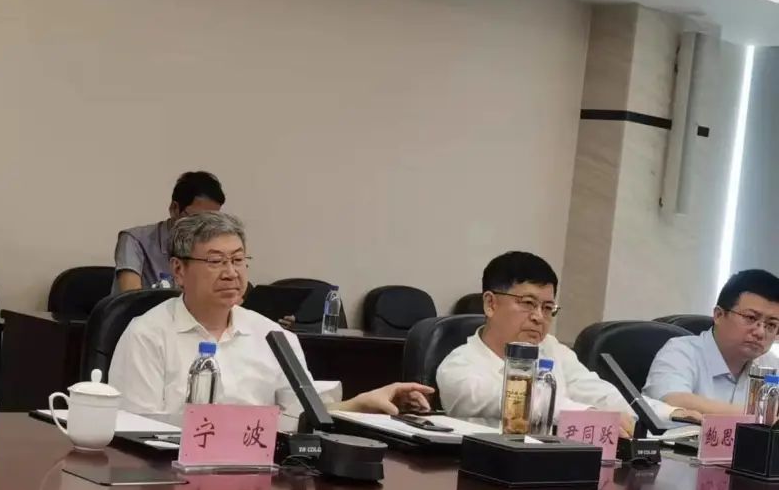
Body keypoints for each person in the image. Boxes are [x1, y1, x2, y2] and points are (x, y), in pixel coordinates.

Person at [109, 212, 431, 416]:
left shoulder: (273, 337)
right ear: (179, 270)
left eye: (238, 260)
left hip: (259, 481)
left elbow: (303, 414)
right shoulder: (147, 334)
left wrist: (365, 402)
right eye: (215, 261)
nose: (231, 273)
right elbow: (133, 430)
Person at [437, 251, 697, 434]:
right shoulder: (459, 366)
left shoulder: (552, 349)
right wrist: (591, 416)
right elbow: (521, 402)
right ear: (491, 304)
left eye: (547, 308)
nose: (539, 317)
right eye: (528, 303)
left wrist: (670, 413)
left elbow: (600, 393)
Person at [644, 270, 779, 416]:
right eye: (750, 318)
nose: (760, 332)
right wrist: (761, 416)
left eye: (771, 325)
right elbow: (671, 403)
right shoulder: (680, 352)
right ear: (719, 315)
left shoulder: (771, 364)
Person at [112, 171, 225, 294]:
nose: (203, 228)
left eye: (211, 221)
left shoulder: (209, 247)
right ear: (174, 209)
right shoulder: (134, 240)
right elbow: (131, 300)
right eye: (197, 219)